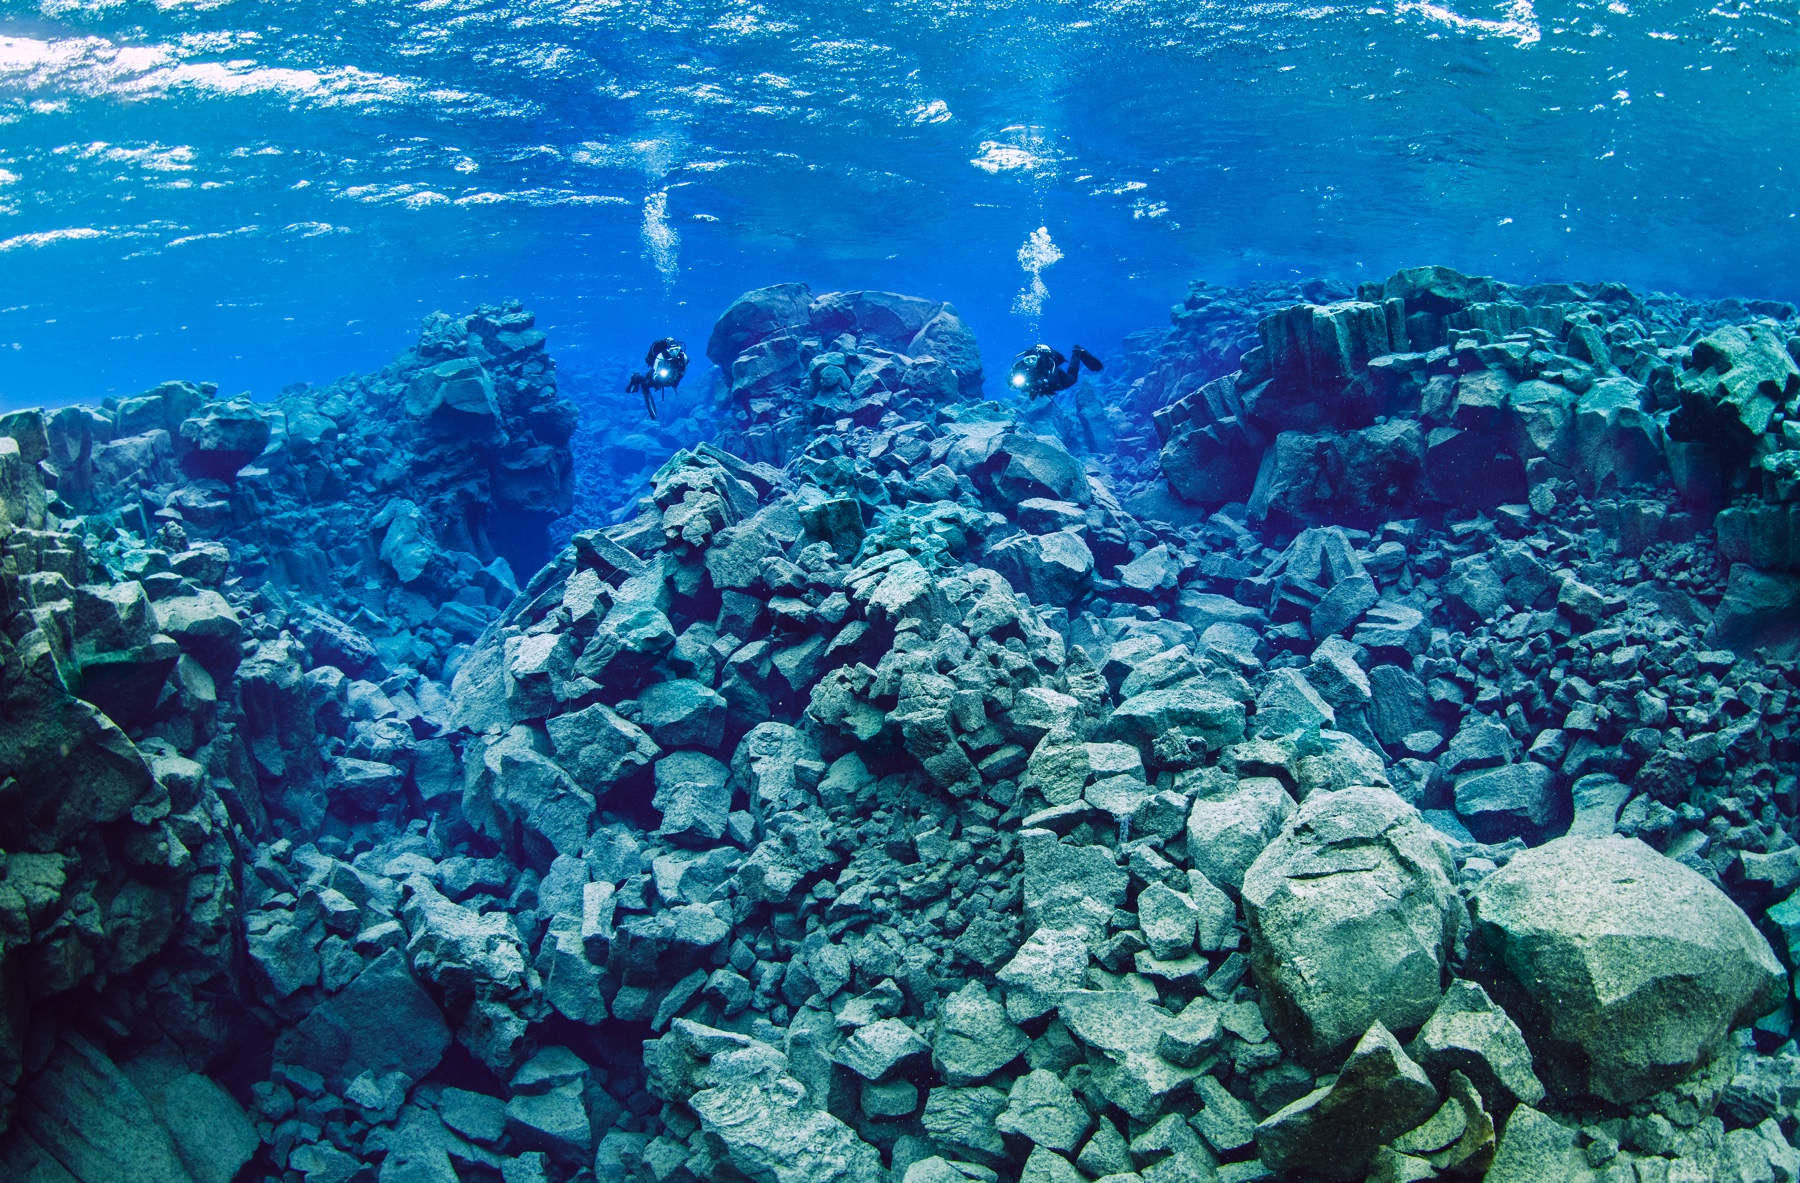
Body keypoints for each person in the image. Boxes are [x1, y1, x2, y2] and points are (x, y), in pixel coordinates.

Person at [1008, 343, 1102, 399]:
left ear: (1038, 357)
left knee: (1072, 379)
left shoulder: (1047, 362)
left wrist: (1038, 384)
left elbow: (1052, 378)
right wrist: (1013, 382)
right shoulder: (1020, 366)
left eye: (1033, 359)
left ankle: (1077, 352)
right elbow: (1010, 379)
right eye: (1027, 360)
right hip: (1044, 385)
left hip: (1056, 378)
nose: (1030, 362)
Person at [626, 338, 689, 420]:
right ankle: (636, 377)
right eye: (672, 350)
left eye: (676, 349)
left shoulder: (683, 356)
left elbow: (684, 369)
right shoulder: (661, 356)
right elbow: (655, 373)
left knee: (668, 381)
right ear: (667, 350)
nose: (674, 352)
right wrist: (660, 379)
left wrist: (678, 379)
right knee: (648, 382)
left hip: (672, 373)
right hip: (660, 372)